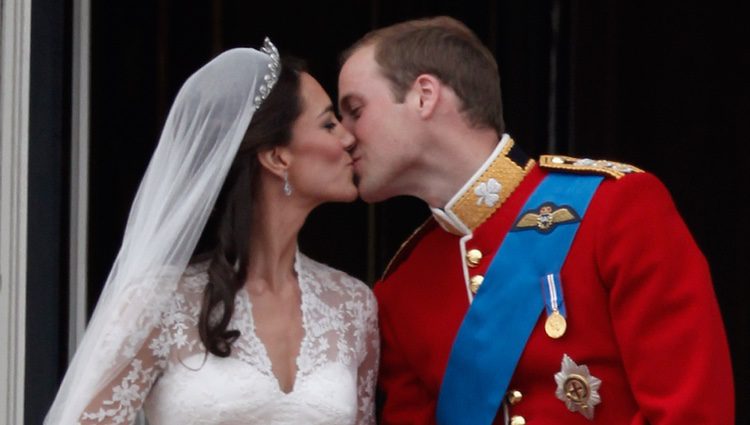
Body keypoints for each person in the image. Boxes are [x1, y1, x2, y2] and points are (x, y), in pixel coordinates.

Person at [337, 16, 734, 424]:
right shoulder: (401, 289)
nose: (344, 137)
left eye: (355, 110)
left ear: (424, 96)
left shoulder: (615, 208)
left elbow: (692, 412)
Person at [45, 39, 378, 425]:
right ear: (277, 156)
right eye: (328, 124)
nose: (348, 138)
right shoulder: (158, 303)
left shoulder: (353, 307)